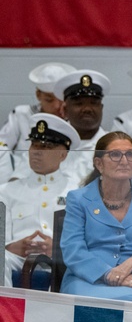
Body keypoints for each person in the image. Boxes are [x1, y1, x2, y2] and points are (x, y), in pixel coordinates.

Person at [60, 132, 132, 302]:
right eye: (115, 155)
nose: (124, 161)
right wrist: (107, 274)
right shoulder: (78, 198)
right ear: (98, 163)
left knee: (131, 299)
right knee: (79, 300)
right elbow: (73, 249)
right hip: (86, 277)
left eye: (130, 154)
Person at [0, 114, 80, 286]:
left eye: (46, 146)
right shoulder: (6, 191)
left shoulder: (77, 192)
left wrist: (58, 250)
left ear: (63, 154)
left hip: (60, 259)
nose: (37, 151)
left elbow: (83, 241)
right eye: (34, 145)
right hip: (17, 258)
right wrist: (10, 246)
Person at [0, 62, 75, 182]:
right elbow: (2, 148)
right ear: (38, 95)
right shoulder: (21, 114)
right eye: (49, 99)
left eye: (61, 99)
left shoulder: (76, 121)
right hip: (19, 180)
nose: (56, 105)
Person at [53, 70, 111, 186]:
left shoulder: (119, 148)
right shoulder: (47, 147)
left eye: (94, 103)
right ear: (64, 110)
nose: (87, 109)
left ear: (101, 107)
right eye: (78, 104)